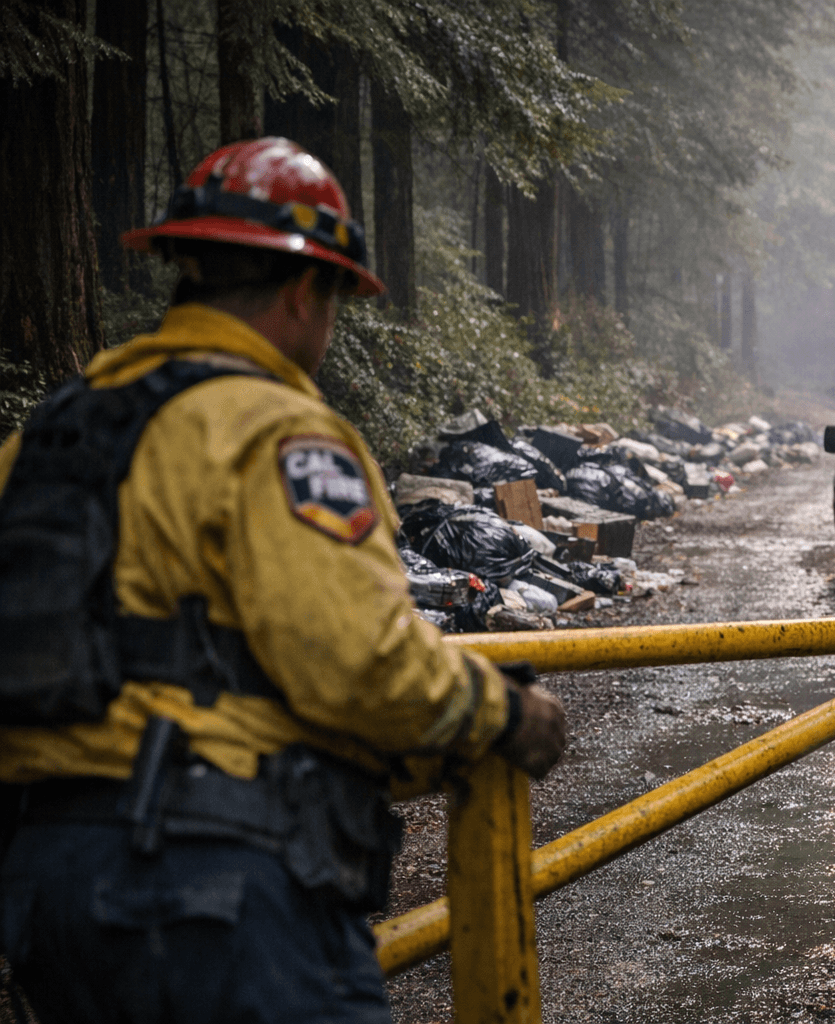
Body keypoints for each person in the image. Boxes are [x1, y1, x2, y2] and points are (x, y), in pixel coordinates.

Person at [0, 137, 567, 1022]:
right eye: (336, 300)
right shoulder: (277, 432)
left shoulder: (52, 432)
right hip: (214, 887)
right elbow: (360, 661)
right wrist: (505, 712)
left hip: (47, 887)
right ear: (307, 291)